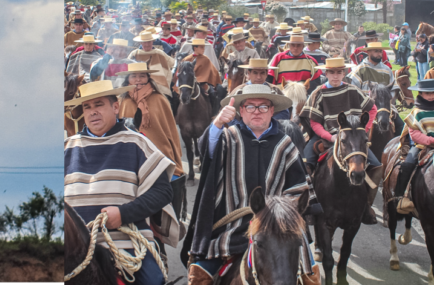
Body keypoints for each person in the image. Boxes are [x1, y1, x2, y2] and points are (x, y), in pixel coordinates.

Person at [185, 84, 312, 284]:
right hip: (232, 224)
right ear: (241, 111)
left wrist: (282, 212)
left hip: (277, 226)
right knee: (199, 274)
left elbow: (298, 187)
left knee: (309, 271)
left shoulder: (285, 144)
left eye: (263, 107)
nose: (257, 112)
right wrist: (218, 123)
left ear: (272, 111)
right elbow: (207, 153)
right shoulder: (228, 137)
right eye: (250, 107)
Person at [64, 80, 181, 285]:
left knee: (153, 281)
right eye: (87, 107)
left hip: (124, 244)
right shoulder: (66, 148)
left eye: (99, 104)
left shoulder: (137, 143)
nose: (92, 112)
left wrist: (123, 214)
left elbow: (163, 191)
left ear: (115, 107)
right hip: (73, 248)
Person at [299, 57, 381, 225]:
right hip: (325, 134)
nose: (335, 76)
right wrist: (330, 137)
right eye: (332, 72)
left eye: (339, 72)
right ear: (326, 73)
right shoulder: (318, 93)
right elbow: (313, 121)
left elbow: (372, 109)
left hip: (353, 136)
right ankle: (308, 205)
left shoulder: (352, 90)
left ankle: (366, 205)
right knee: (305, 162)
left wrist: (362, 130)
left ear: (344, 73)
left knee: (376, 165)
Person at [117, 62, 185, 177]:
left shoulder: (160, 99)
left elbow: (171, 130)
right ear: (128, 79)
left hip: (160, 154)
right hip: (129, 156)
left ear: (148, 78)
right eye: (134, 76)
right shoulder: (122, 101)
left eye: (142, 76)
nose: (138, 80)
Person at [394, 79, 434, 213]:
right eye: (427, 93)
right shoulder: (416, 112)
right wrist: (430, 140)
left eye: (433, 93)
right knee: (407, 164)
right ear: (421, 93)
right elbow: (414, 134)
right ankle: (401, 197)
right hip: (422, 146)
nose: (431, 96)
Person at [181, 39, 223, 113]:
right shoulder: (186, 59)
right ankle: (174, 115)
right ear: (195, 48)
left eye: (203, 47)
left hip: (203, 83)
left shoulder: (206, 59)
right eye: (201, 47)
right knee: (176, 95)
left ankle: (213, 114)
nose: (203, 49)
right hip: (188, 83)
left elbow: (213, 72)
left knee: (212, 94)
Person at [128, 31, 175, 97]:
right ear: (141, 43)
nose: (147, 44)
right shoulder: (134, 54)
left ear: (153, 41)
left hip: (159, 86)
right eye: (144, 42)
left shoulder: (160, 53)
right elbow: (127, 69)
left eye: (149, 42)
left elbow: (173, 63)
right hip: (138, 85)